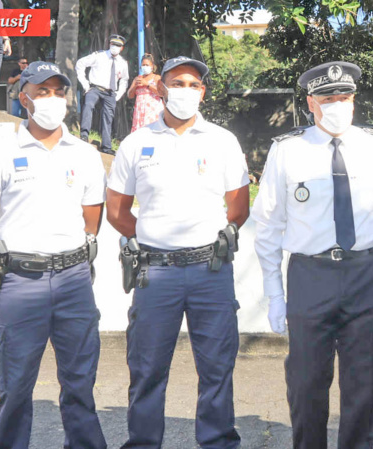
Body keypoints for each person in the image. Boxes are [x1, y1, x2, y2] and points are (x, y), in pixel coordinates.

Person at [252, 61, 373, 449]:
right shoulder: (288, 151)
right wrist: (274, 294)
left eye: (344, 97)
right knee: (305, 381)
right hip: (310, 275)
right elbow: (268, 225)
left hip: (366, 272)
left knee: (364, 382)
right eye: (328, 98)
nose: (337, 104)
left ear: (354, 100)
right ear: (311, 102)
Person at [0, 61, 107, 449]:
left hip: (74, 281)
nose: (52, 99)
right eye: (42, 91)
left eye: (58, 91)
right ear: (23, 98)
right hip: (21, 283)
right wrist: (8, 256)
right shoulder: (0, 153)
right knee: (15, 386)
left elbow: (91, 223)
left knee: (80, 384)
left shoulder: (86, 155)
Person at [106, 56, 249, 448]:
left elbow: (238, 208)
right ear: (161, 88)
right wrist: (155, 237)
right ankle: (144, 443)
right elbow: (117, 210)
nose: (185, 90)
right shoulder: (137, 142)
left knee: (217, 367)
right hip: (156, 274)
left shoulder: (223, 140)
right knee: (147, 368)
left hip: (210, 270)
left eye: (193, 83)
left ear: (202, 91)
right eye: (177, 82)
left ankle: (218, 442)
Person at [76, 34, 130, 154]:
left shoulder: (122, 62)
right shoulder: (99, 55)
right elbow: (80, 64)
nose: (115, 47)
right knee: (88, 106)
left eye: (118, 45)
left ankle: (106, 146)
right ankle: (84, 135)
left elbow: (124, 80)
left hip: (110, 93)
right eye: (113, 44)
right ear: (109, 44)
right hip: (95, 88)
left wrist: (118, 94)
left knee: (108, 117)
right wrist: (85, 85)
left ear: (122, 48)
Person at [128, 54, 164, 132]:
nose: (145, 67)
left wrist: (147, 84)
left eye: (147, 65)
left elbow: (161, 93)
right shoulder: (138, 78)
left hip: (152, 110)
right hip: (139, 111)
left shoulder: (156, 78)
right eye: (143, 65)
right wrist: (135, 86)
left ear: (152, 66)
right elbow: (130, 95)